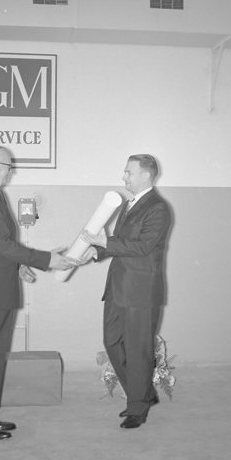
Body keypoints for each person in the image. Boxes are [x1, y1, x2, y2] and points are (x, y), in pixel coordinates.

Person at [0, 145, 78, 441]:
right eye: (8, 165)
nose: (10, 171)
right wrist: (47, 260)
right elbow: (3, 245)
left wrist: (18, 266)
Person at [80, 154, 171, 429]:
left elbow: (142, 247)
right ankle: (142, 392)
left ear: (146, 175)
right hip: (118, 288)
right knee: (112, 342)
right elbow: (121, 242)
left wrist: (105, 242)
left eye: (129, 172)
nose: (124, 177)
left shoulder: (158, 208)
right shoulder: (130, 205)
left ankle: (137, 408)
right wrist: (95, 252)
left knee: (138, 350)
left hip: (141, 291)